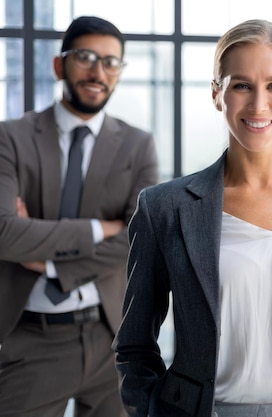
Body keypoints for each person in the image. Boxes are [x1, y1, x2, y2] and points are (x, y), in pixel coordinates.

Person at [113, 19, 272, 417]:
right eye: (241, 85)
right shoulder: (164, 208)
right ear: (217, 94)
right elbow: (135, 346)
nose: (258, 105)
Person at [0, 15, 159, 417]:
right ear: (59, 65)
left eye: (110, 62)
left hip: (115, 342)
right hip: (33, 338)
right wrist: (98, 228)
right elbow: (4, 232)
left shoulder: (138, 146)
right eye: (85, 57)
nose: (98, 71)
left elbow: (139, 241)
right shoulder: (11, 138)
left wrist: (44, 260)